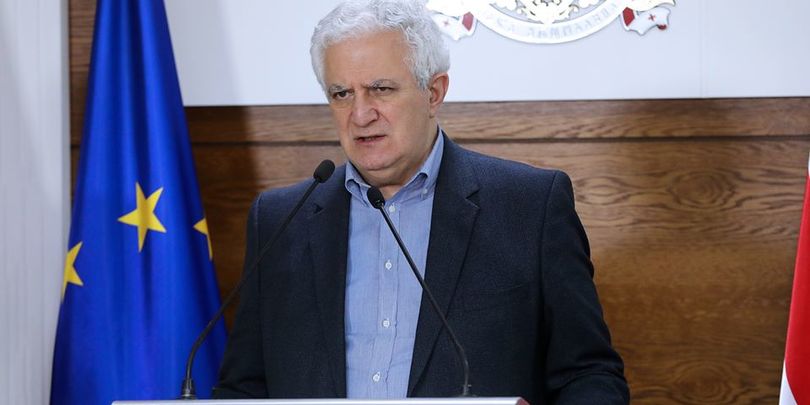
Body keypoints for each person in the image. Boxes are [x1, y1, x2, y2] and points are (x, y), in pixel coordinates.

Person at [213, 0, 629, 403]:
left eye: (380, 89)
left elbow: (588, 375)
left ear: (433, 92)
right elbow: (243, 388)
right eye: (341, 94)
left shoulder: (529, 206)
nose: (360, 114)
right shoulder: (280, 221)